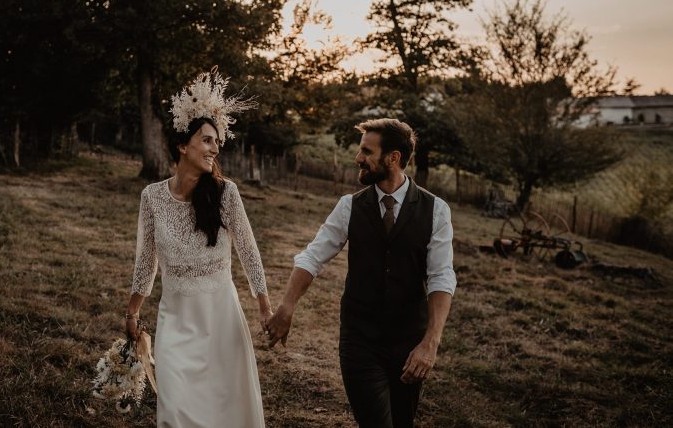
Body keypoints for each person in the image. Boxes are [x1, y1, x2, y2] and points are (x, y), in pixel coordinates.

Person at [265, 118, 456, 428]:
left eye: (367, 151)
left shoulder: (436, 210)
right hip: (360, 340)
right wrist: (287, 306)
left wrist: (430, 343)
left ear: (393, 158)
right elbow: (314, 256)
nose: (358, 158)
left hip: (410, 341)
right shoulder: (348, 206)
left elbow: (441, 277)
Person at [124, 71, 272, 427]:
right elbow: (146, 259)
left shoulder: (226, 194)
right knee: (175, 410)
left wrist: (265, 308)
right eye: (206, 140)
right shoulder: (152, 197)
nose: (214, 148)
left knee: (225, 411)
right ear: (182, 146)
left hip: (221, 318)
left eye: (217, 142)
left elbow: (249, 253)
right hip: (176, 318)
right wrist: (132, 313)